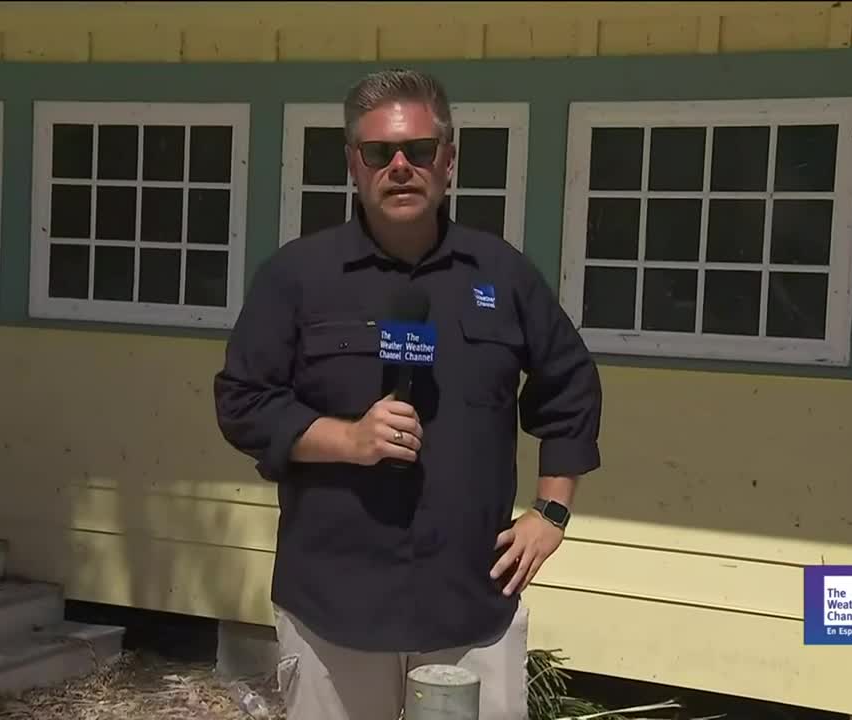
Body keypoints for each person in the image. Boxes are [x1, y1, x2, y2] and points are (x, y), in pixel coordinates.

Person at [213, 68, 602, 720]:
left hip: (469, 607)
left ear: (447, 161)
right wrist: (347, 439)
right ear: (352, 164)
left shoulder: (501, 274)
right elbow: (243, 400)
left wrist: (552, 513)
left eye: (419, 151)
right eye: (378, 153)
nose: (400, 166)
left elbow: (570, 382)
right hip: (332, 609)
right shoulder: (297, 277)